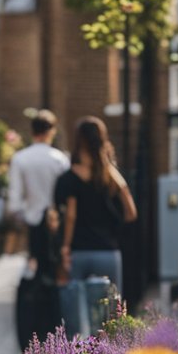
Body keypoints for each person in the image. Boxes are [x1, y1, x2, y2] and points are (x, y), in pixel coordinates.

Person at [57, 116, 138, 290]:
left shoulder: (70, 178)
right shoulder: (110, 176)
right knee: (111, 313)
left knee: (77, 312)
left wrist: (65, 246)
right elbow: (131, 212)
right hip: (108, 251)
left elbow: (71, 215)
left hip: (78, 252)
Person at [7, 110, 70, 280]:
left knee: (34, 265)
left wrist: (18, 217)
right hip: (56, 221)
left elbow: (15, 196)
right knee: (53, 264)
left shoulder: (20, 158)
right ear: (51, 131)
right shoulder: (60, 160)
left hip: (31, 220)